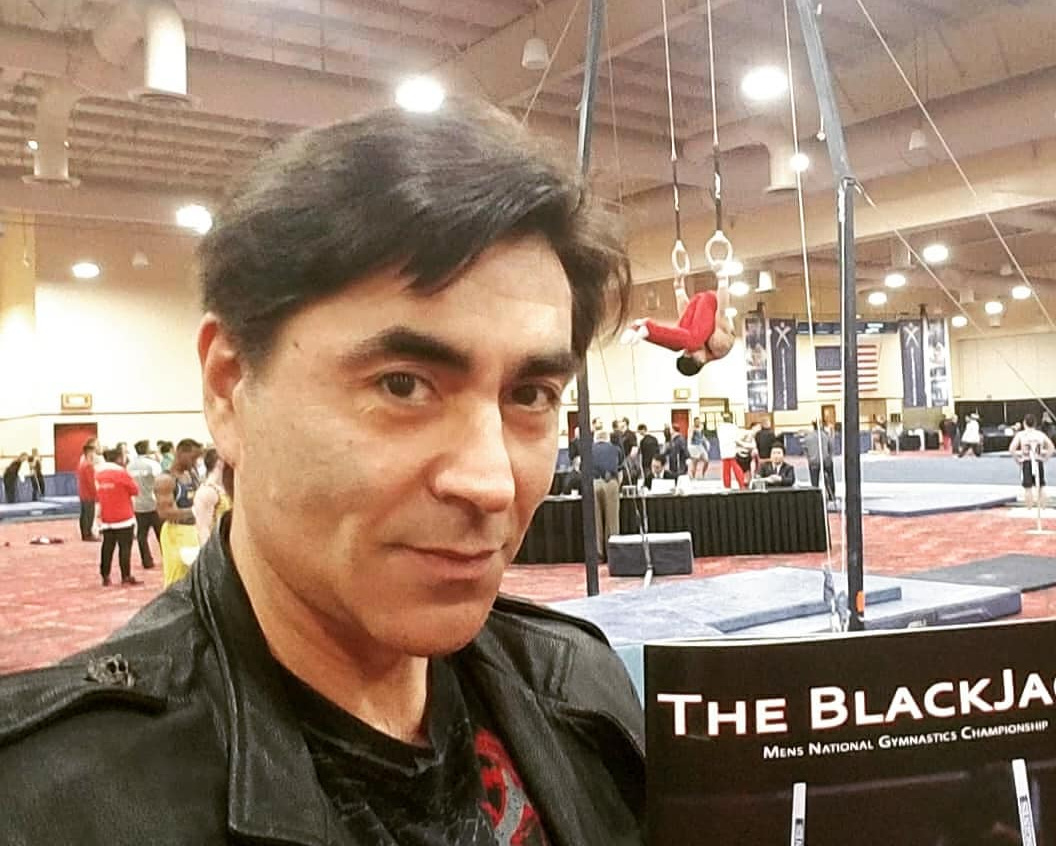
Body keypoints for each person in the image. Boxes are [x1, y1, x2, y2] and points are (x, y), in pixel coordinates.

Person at [0, 101, 644, 844]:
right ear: (229, 388)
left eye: (530, 396)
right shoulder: (46, 806)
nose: (490, 481)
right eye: (403, 385)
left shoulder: (582, 693)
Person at [621, 276, 735, 375]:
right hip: (713, 300)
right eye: (691, 352)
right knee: (693, 341)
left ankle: (642, 329)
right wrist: (722, 280)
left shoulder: (694, 343)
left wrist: (679, 289)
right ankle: (648, 329)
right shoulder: (720, 347)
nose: (689, 350)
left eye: (686, 351)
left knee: (682, 342)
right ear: (702, 361)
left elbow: (685, 315)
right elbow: (722, 311)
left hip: (697, 302)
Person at [155, 437, 203, 587]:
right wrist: (197, 511)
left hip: (194, 530)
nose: (195, 463)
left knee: (196, 578)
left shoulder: (192, 476)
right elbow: (165, 512)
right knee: (177, 580)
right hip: (176, 533)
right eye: (193, 458)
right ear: (180, 453)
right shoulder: (165, 480)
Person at [95, 446, 141, 587]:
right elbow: (135, 490)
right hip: (124, 517)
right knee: (125, 548)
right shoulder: (122, 474)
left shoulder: (99, 475)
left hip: (107, 517)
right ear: (119, 459)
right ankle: (125, 576)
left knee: (107, 548)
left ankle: (105, 576)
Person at [127, 440, 162, 570]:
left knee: (142, 535)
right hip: (153, 503)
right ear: (147, 449)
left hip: (138, 504)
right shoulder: (153, 464)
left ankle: (146, 561)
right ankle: (167, 557)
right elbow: (161, 481)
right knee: (161, 533)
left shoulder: (129, 466)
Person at [591, 422, 624, 561]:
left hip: (594, 482)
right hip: (611, 482)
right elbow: (621, 471)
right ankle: (612, 552)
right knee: (612, 520)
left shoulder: (589, 449)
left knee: (596, 520)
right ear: (607, 438)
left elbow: (582, 469)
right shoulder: (616, 449)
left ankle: (598, 553)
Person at [1009, 414, 1055, 509]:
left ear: (1024, 423)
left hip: (1027, 461)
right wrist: (1045, 458)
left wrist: (1017, 460)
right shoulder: (1040, 434)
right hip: (1038, 461)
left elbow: (1011, 449)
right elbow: (1051, 447)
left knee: (1028, 487)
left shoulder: (1021, 435)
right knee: (1041, 486)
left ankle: (1029, 508)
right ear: (1035, 423)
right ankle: (1043, 508)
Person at [193, 448, 233, 546]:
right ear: (220, 463)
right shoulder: (207, 492)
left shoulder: (224, 489)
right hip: (218, 545)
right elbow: (203, 528)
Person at [802, 422, 836, 500]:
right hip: (826, 460)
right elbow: (831, 446)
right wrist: (829, 456)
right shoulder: (826, 435)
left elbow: (805, 449)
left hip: (813, 461)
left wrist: (809, 458)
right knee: (829, 478)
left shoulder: (808, 437)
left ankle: (815, 497)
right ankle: (831, 495)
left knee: (814, 481)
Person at [76, 439, 99, 541]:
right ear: (90, 453)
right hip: (88, 494)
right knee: (89, 515)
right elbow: (91, 482)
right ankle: (88, 534)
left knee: (84, 514)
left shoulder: (82, 463)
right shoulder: (88, 465)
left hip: (83, 493)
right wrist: (96, 494)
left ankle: (84, 533)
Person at [716, 416, 746, 490]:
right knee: (736, 468)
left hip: (724, 450)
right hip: (732, 449)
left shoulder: (720, 427)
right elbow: (737, 438)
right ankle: (741, 484)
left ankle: (727, 485)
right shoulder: (733, 427)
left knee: (726, 470)